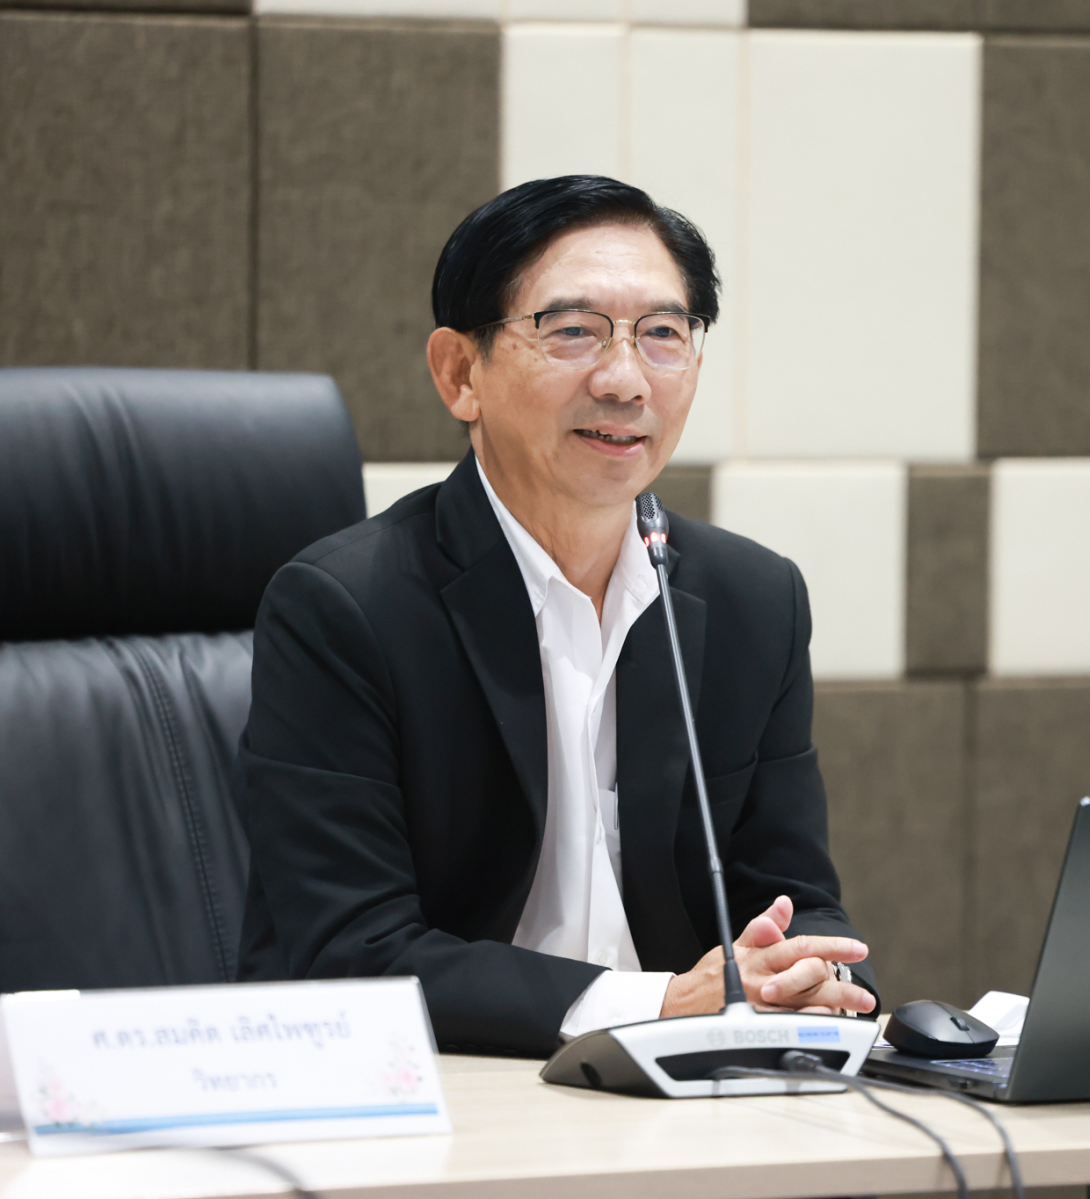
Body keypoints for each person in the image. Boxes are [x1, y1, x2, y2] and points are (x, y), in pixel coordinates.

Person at [235, 174, 877, 1056]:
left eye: (663, 334)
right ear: (461, 374)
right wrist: (654, 1005)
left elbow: (795, 900)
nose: (625, 380)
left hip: (680, 1089)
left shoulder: (752, 601)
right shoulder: (346, 608)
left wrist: (805, 974)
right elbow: (352, 953)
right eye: (573, 331)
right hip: (442, 1086)